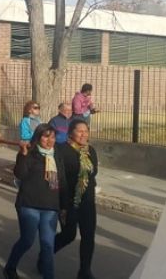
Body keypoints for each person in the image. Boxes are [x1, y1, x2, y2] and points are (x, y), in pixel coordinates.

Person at [4, 124, 68, 279]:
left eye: (52, 137)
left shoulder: (57, 153)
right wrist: (23, 154)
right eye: (46, 136)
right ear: (38, 137)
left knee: (47, 244)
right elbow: (20, 174)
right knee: (27, 240)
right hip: (29, 204)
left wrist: (64, 206)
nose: (49, 140)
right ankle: (10, 268)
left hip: (50, 206)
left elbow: (62, 181)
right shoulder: (30, 153)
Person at [54, 119, 99, 279]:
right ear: (71, 132)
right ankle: (46, 255)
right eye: (80, 131)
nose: (83, 135)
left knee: (88, 236)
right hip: (68, 201)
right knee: (68, 235)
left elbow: (94, 172)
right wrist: (64, 205)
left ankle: (85, 270)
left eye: (86, 131)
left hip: (87, 201)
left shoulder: (90, 151)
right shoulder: (61, 150)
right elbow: (60, 178)